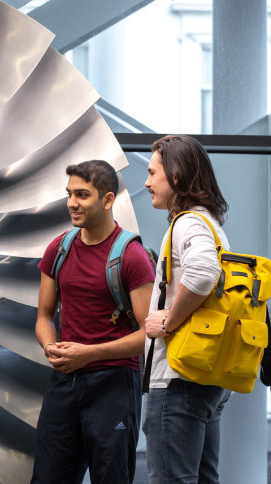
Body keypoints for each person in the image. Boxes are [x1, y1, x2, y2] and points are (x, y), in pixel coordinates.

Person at [31, 160, 155, 484]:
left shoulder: (132, 256)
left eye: (82, 195)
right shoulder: (58, 249)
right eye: (69, 193)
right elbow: (44, 315)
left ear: (108, 199)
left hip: (114, 385)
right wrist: (50, 347)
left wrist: (89, 353)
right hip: (65, 382)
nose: (72, 202)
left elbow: (148, 335)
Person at [142, 135, 231, 484]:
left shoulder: (188, 223)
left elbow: (203, 271)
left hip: (177, 377)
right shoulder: (211, 224)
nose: (146, 182)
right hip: (206, 376)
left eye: (152, 173)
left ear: (176, 176)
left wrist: (167, 321)